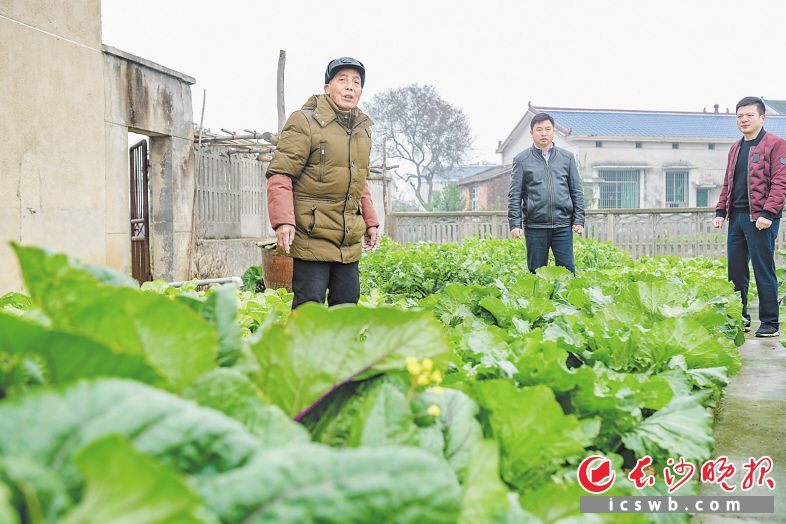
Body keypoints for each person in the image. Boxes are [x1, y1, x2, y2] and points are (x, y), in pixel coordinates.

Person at [266, 57, 380, 308]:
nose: (350, 86)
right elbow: (281, 174)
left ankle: (339, 350)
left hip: (347, 239)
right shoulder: (304, 122)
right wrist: (283, 221)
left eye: (356, 82)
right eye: (342, 80)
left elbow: (360, 181)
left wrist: (370, 222)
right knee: (310, 308)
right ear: (328, 87)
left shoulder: (362, 130)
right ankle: (300, 349)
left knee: (347, 305)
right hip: (312, 235)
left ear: (361, 91)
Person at [713, 96, 786, 337]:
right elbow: (728, 182)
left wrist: (768, 212)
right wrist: (721, 211)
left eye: (748, 115)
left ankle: (769, 323)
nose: (743, 120)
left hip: (761, 219)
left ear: (762, 118)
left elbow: (780, 182)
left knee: (763, 269)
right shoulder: (736, 147)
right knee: (735, 272)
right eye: (739, 116)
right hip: (737, 218)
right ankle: (739, 318)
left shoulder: (776, 145)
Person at [507, 112, 585, 273]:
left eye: (548, 129)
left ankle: (565, 299)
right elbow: (515, 195)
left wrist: (579, 219)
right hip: (535, 226)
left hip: (563, 225)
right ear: (531, 133)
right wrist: (515, 224)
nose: (544, 133)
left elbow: (576, 190)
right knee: (537, 272)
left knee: (567, 272)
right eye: (539, 129)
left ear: (553, 131)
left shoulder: (567, 158)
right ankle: (540, 299)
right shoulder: (522, 160)